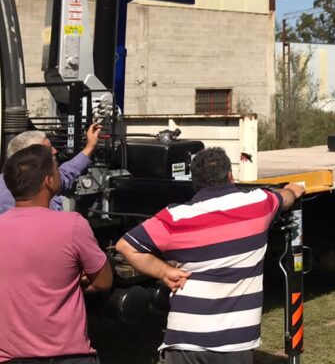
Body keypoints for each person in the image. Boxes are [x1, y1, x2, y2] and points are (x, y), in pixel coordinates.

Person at [116, 148, 304, 364]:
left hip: (184, 339)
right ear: (230, 176)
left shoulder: (174, 217)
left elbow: (125, 246)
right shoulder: (259, 204)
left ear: (195, 182)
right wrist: (293, 189)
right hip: (235, 342)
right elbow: (285, 198)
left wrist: (164, 271)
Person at [0, 124, 102, 318]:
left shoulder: (39, 184)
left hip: (33, 299)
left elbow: (65, 174)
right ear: (28, 160)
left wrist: (89, 148)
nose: (55, 151)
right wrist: (2, 260)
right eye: (48, 150)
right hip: (7, 304)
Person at [0, 144, 112, 364]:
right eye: (56, 169)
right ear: (48, 181)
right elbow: (104, 281)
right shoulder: (72, 225)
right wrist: (71, 283)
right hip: (66, 356)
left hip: (9, 358)